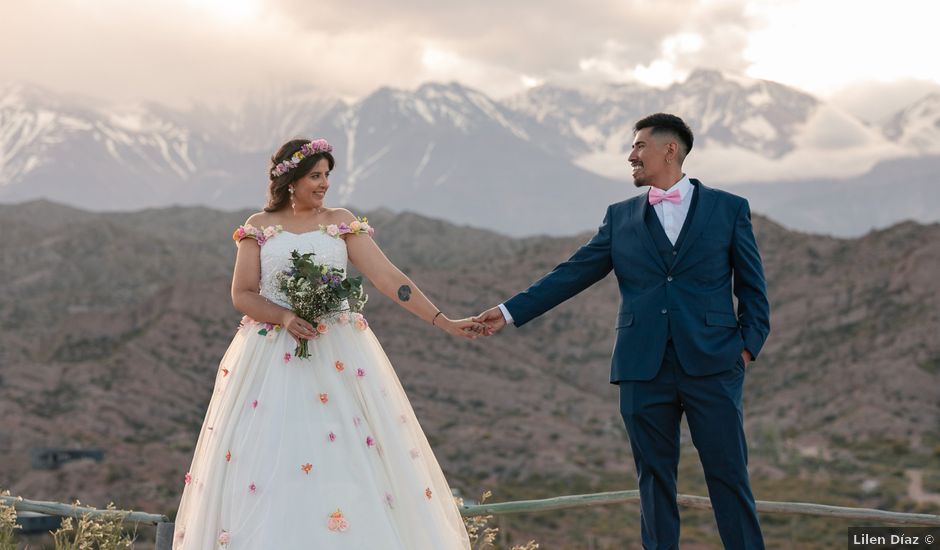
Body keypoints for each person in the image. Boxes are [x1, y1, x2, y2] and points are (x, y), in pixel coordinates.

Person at [475, 113, 770, 549]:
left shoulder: (729, 209)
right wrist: (508, 311)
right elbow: (570, 274)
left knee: (728, 477)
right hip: (641, 369)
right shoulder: (620, 217)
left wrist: (744, 350)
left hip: (714, 363)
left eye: (638, 146)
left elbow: (753, 290)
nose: (630, 155)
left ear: (670, 149)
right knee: (653, 482)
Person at [173, 138, 477, 549]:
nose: (324, 184)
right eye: (315, 176)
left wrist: (443, 321)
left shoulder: (341, 221)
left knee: (348, 457)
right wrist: (284, 316)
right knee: (272, 459)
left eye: (326, 176)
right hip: (271, 358)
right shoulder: (260, 227)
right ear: (291, 179)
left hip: (340, 355)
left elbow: (388, 279)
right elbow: (242, 294)